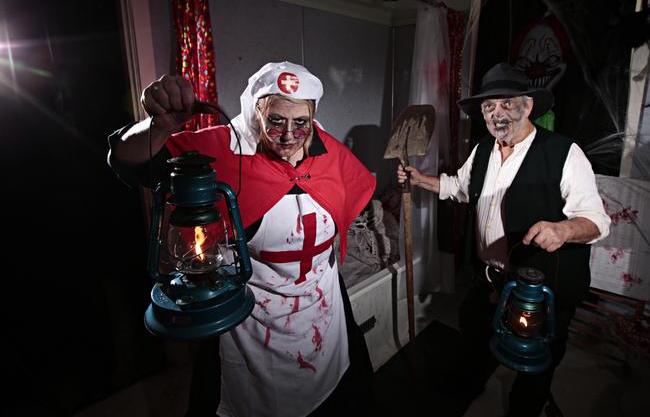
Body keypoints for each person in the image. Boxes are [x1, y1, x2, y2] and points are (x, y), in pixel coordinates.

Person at [108, 61, 377, 416]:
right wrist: (159, 127)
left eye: (301, 123)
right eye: (276, 121)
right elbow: (126, 160)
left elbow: (354, 191)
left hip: (326, 322)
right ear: (256, 113)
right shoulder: (224, 152)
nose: (288, 136)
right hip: (254, 331)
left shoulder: (329, 153)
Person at [397, 62, 610, 416]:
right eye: (488, 107)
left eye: (506, 104)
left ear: (527, 106)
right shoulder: (483, 149)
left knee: (537, 362)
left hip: (537, 287)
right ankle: (468, 386)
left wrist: (565, 229)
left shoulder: (563, 153)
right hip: (487, 279)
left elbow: (597, 221)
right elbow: (460, 188)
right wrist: (421, 180)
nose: (497, 114)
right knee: (474, 339)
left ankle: (525, 408)